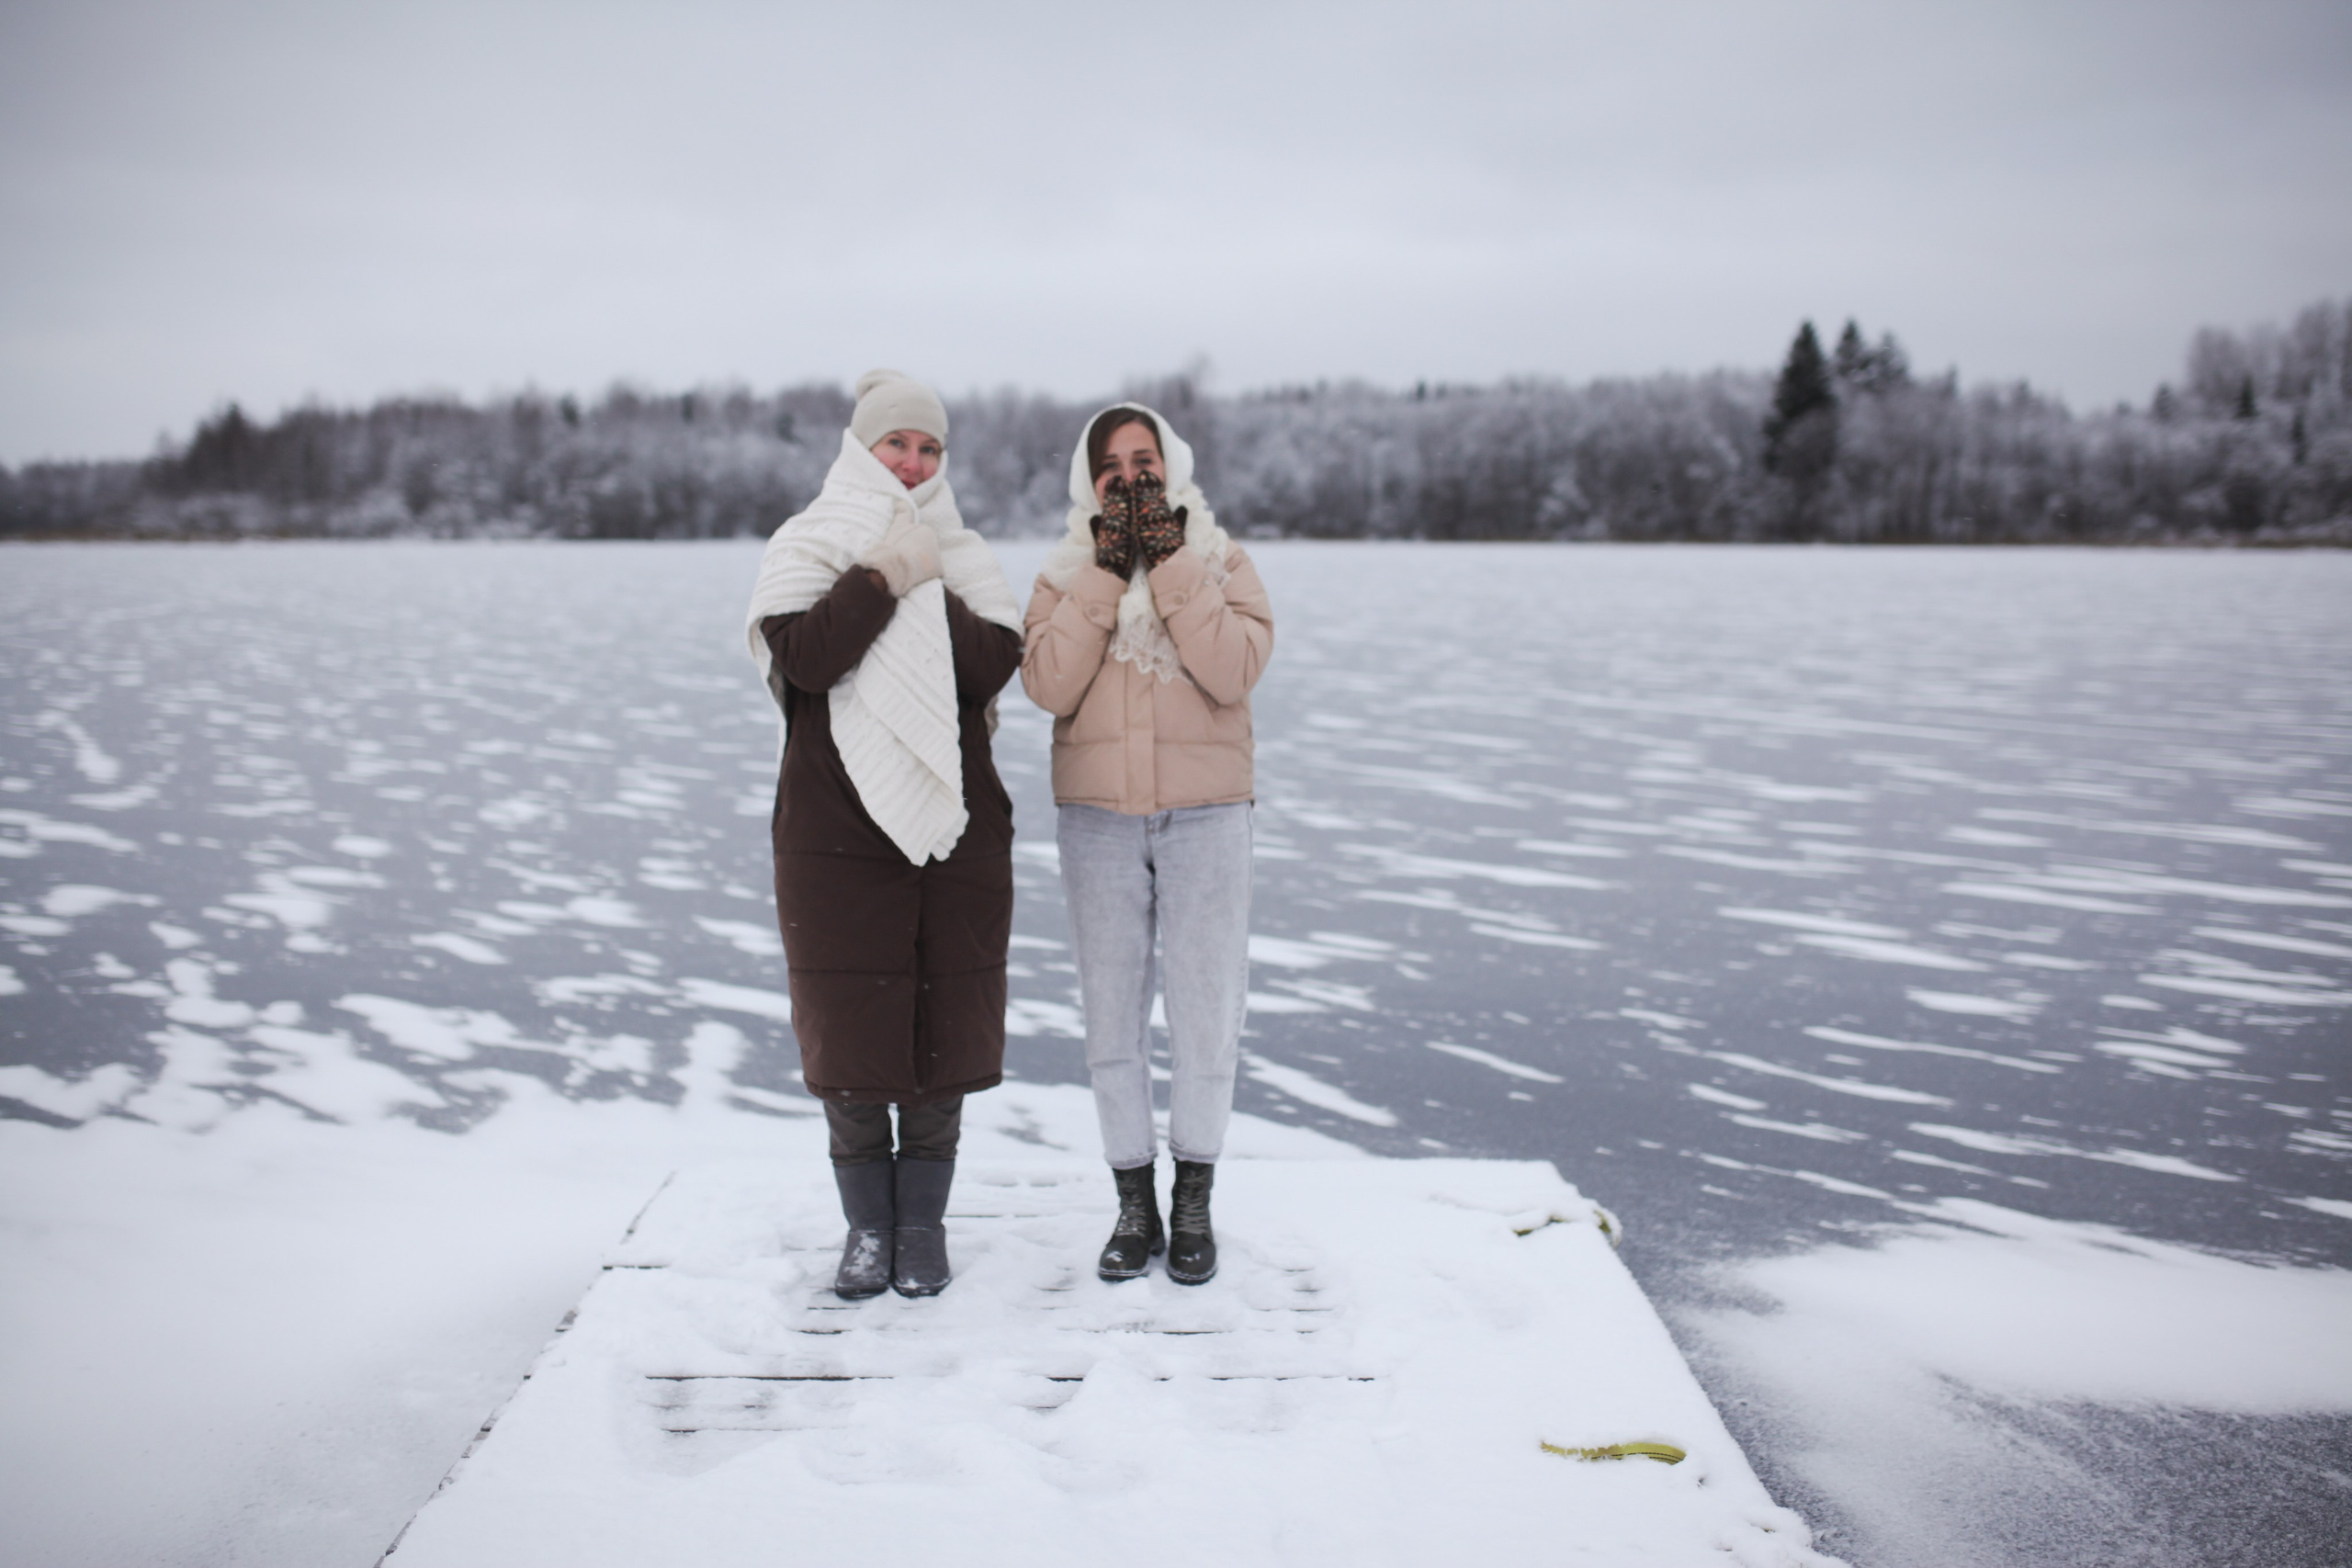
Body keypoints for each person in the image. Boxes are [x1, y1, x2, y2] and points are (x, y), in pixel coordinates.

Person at [744, 369, 1023, 1301]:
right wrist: (879, 577)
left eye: (928, 448)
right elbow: (806, 657)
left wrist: (927, 577)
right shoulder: (809, 540)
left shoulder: (965, 552)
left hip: (955, 826)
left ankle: (922, 1227)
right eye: (896, 444)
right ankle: (868, 1231)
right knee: (851, 1034)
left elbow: (990, 669)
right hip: (834, 828)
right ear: (860, 449)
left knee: (944, 1029)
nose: (912, 461)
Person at [1020, 402, 1274, 1284]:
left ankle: (1193, 1200)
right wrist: (1104, 567)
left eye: (1145, 460)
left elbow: (1235, 668)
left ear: (1173, 465)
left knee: (1207, 1013)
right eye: (1111, 467)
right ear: (1085, 484)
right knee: (1111, 1019)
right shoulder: (1061, 577)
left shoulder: (1222, 560)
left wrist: (1167, 562)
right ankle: (1133, 1203)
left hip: (1208, 815)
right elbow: (1049, 685)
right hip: (1097, 817)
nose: (1130, 478)